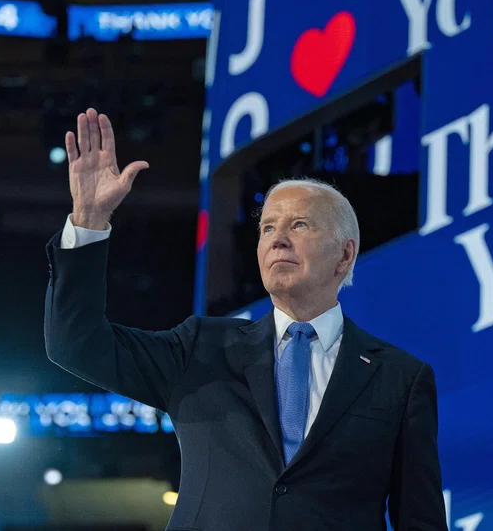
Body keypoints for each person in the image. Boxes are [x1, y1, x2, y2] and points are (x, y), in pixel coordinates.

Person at [44, 108, 447, 531]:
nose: (278, 239)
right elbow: (76, 344)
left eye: (299, 224)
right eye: (268, 228)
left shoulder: (400, 379)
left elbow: (420, 521)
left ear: (345, 255)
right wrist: (88, 224)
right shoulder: (201, 348)